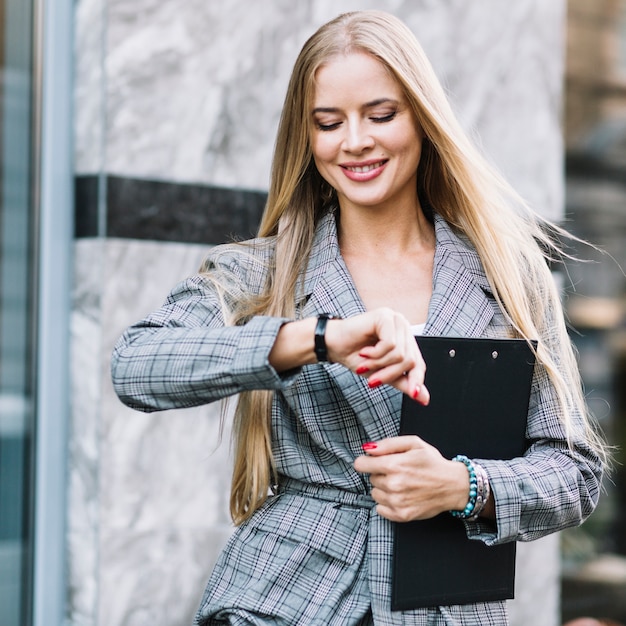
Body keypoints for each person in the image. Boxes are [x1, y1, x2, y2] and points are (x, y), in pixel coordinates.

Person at [111, 10, 606, 626]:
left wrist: (464, 487)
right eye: (328, 122)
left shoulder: (508, 275)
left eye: (380, 115)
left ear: (422, 120)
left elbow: (575, 472)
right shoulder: (268, 272)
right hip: (283, 600)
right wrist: (315, 339)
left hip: (445, 606)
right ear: (307, 136)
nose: (354, 142)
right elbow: (135, 367)